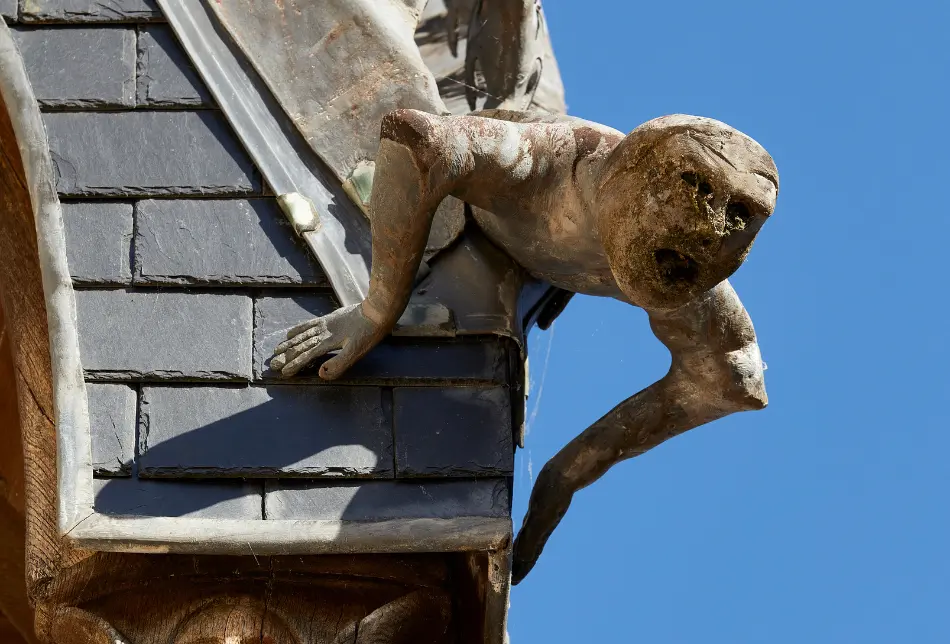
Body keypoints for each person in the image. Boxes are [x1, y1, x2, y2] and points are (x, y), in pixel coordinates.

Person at [270, 108, 779, 583]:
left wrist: (565, 475)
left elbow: (731, 379)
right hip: (456, 222)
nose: (709, 231)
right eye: (693, 185)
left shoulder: (691, 286)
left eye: (741, 215)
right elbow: (416, 140)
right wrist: (378, 309)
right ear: (630, 171)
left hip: (528, 264)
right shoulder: (554, 164)